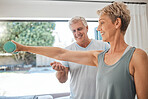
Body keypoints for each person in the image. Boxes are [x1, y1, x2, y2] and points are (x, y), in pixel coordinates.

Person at [11, 2, 148, 99]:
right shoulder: (99, 57)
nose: (98, 28)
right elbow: (61, 53)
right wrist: (24, 48)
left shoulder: (137, 56)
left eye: (102, 23)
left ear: (117, 23)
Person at [50, 16, 110, 99]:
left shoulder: (104, 46)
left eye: (79, 29)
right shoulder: (67, 51)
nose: (77, 33)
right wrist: (61, 71)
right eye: (74, 31)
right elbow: (62, 80)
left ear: (87, 28)